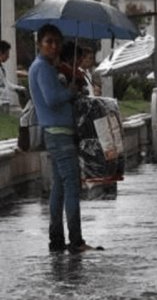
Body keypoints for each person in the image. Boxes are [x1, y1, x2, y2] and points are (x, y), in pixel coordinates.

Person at [28, 24, 102, 254]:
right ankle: (77, 241)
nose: (54, 46)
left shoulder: (47, 67)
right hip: (58, 134)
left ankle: (57, 241)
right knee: (72, 187)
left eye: (57, 42)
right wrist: (70, 92)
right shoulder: (42, 68)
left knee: (59, 189)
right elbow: (51, 99)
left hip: (59, 133)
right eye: (49, 41)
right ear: (39, 43)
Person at [0, 40, 26, 112]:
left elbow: (6, 83)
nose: (8, 56)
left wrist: (19, 88)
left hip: (5, 101)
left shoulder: (2, 67)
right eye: (7, 53)